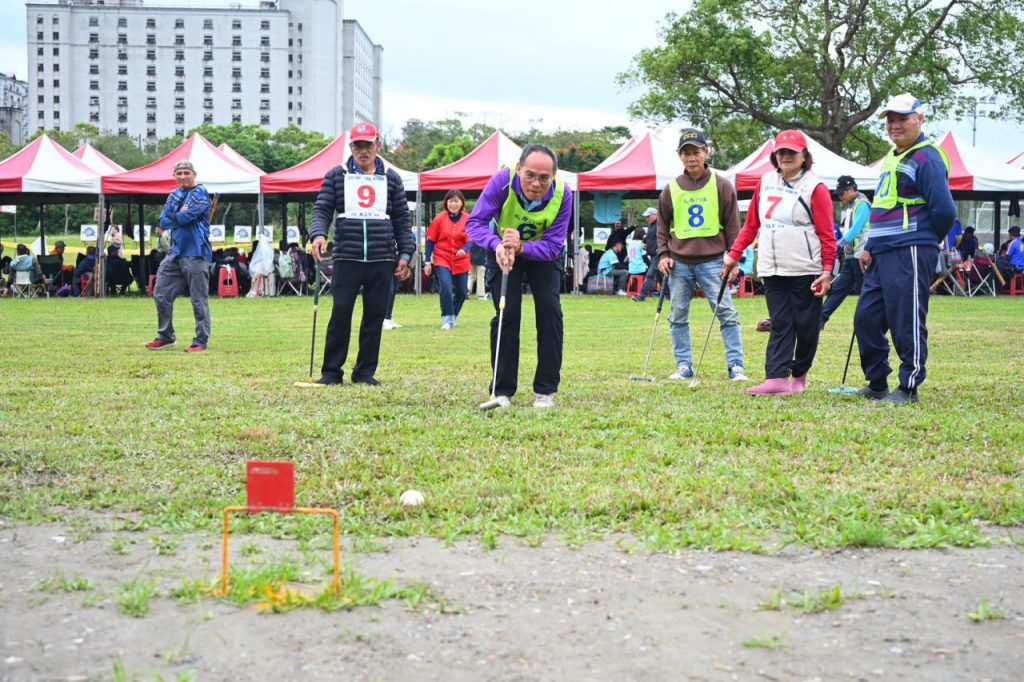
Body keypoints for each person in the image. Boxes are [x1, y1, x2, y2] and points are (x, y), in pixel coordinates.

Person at [853, 94, 956, 404]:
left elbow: (945, 211)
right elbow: (884, 206)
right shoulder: (892, 157)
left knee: (905, 319)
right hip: (881, 252)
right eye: (890, 120)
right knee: (866, 318)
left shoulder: (927, 157)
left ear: (919, 119)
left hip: (910, 249)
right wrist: (870, 244)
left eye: (902, 118)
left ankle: (908, 387)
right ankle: (877, 383)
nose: (895, 125)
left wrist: (923, 238)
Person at [723, 129, 836, 395]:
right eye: (781, 152)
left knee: (807, 327)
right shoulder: (764, 181)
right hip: (772, 266)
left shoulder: (815, 187)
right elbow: (751, 224)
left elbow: (827, 234)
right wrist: (734, 253)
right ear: (774, 156)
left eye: (791, 152)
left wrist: (828, 270)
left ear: (804, 155)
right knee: (780, 323)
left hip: (806, 268)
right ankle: (775, 378)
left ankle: (800, 374)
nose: (785, 156)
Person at [466, 143, 572, 409]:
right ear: (518, 170)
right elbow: (475, 223)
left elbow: (553, 246)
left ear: (554, 176)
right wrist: (497, 245)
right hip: (501, 250)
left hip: (542, 255)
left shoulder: (564, 194)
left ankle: (545, 391)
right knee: (507, 312)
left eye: (544, 178)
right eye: (530, 175)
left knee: (550, 311)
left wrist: (523, 246)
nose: (536, 183)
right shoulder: (502, 181)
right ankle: (502, 391)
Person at [308, 122, 413, 385]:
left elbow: (402, 219)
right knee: (340, 313)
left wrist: (406, 254)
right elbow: (322, 209)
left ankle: (365, 372)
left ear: (378, 145)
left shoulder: (391, 178)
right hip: (347, 256)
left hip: (382, 257)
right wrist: (318, 234)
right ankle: (331, 372)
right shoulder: (336, 175)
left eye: (367, 145)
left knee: (375, 316)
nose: (363, 151)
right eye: (357, 145)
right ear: (351, 147)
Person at [658, 128, 748, 382]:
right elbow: (662, 226)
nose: (691, 158)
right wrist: (663, 254)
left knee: (727, 312)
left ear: (706, 152)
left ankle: (735, 365)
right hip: (679, 262)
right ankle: (684, 364)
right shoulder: (671, 188)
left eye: (696, 152)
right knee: (677, 315)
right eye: (686, 153)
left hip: (713, 261)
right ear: (680, 156)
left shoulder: (722, 184)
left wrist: (734, 258)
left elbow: (733, 225)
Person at [146, 159, 214, 352]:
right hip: (175, 252)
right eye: (179, 173)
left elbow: (185, 217)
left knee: (198, 299)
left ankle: (201, 341)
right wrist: (176, 216)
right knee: (161, 293)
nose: (183, 176)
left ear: (194, 174)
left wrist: (174, 216)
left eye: (186, 172)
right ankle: (166, 336)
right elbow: (162, 221)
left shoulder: (200, 193)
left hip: (197, 252)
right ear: (174, 176)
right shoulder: (174, 194)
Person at [820, 175, 870, 329]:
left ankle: (868, 323)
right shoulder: (852, 205)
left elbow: (856, 229)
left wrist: (838, 244)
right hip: (851, 257)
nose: (840, 196)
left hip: (861, 256)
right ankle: (820, 319)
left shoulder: (862, 204)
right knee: (838, 288)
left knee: (865, 293)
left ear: (851, 189)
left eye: (842, 193)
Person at [424, 189, 472, 330]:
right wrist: (427, 261)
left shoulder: (468, 219)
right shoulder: (439, 218)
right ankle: (447, 318)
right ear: (446, 203)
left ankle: (453, 315)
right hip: (442, 257)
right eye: (450, 201)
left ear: (462, 202)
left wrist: (464, 249)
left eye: (456, 201)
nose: (453, 204)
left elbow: (471, 239)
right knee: (445, 286)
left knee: (462, 291)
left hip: (461, 258)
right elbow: (431, 240)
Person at [631, 207, 665, 302]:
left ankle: (641, 296)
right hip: (654, 255)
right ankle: (669, 295)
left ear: (655, 215)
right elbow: (649, 238)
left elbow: (665, 238)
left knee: (650, 276)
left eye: (648, 216)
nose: (647, 218)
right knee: (660, 277)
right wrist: (644, 243)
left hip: (658, 255)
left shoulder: (660, 225)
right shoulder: (652, 226)